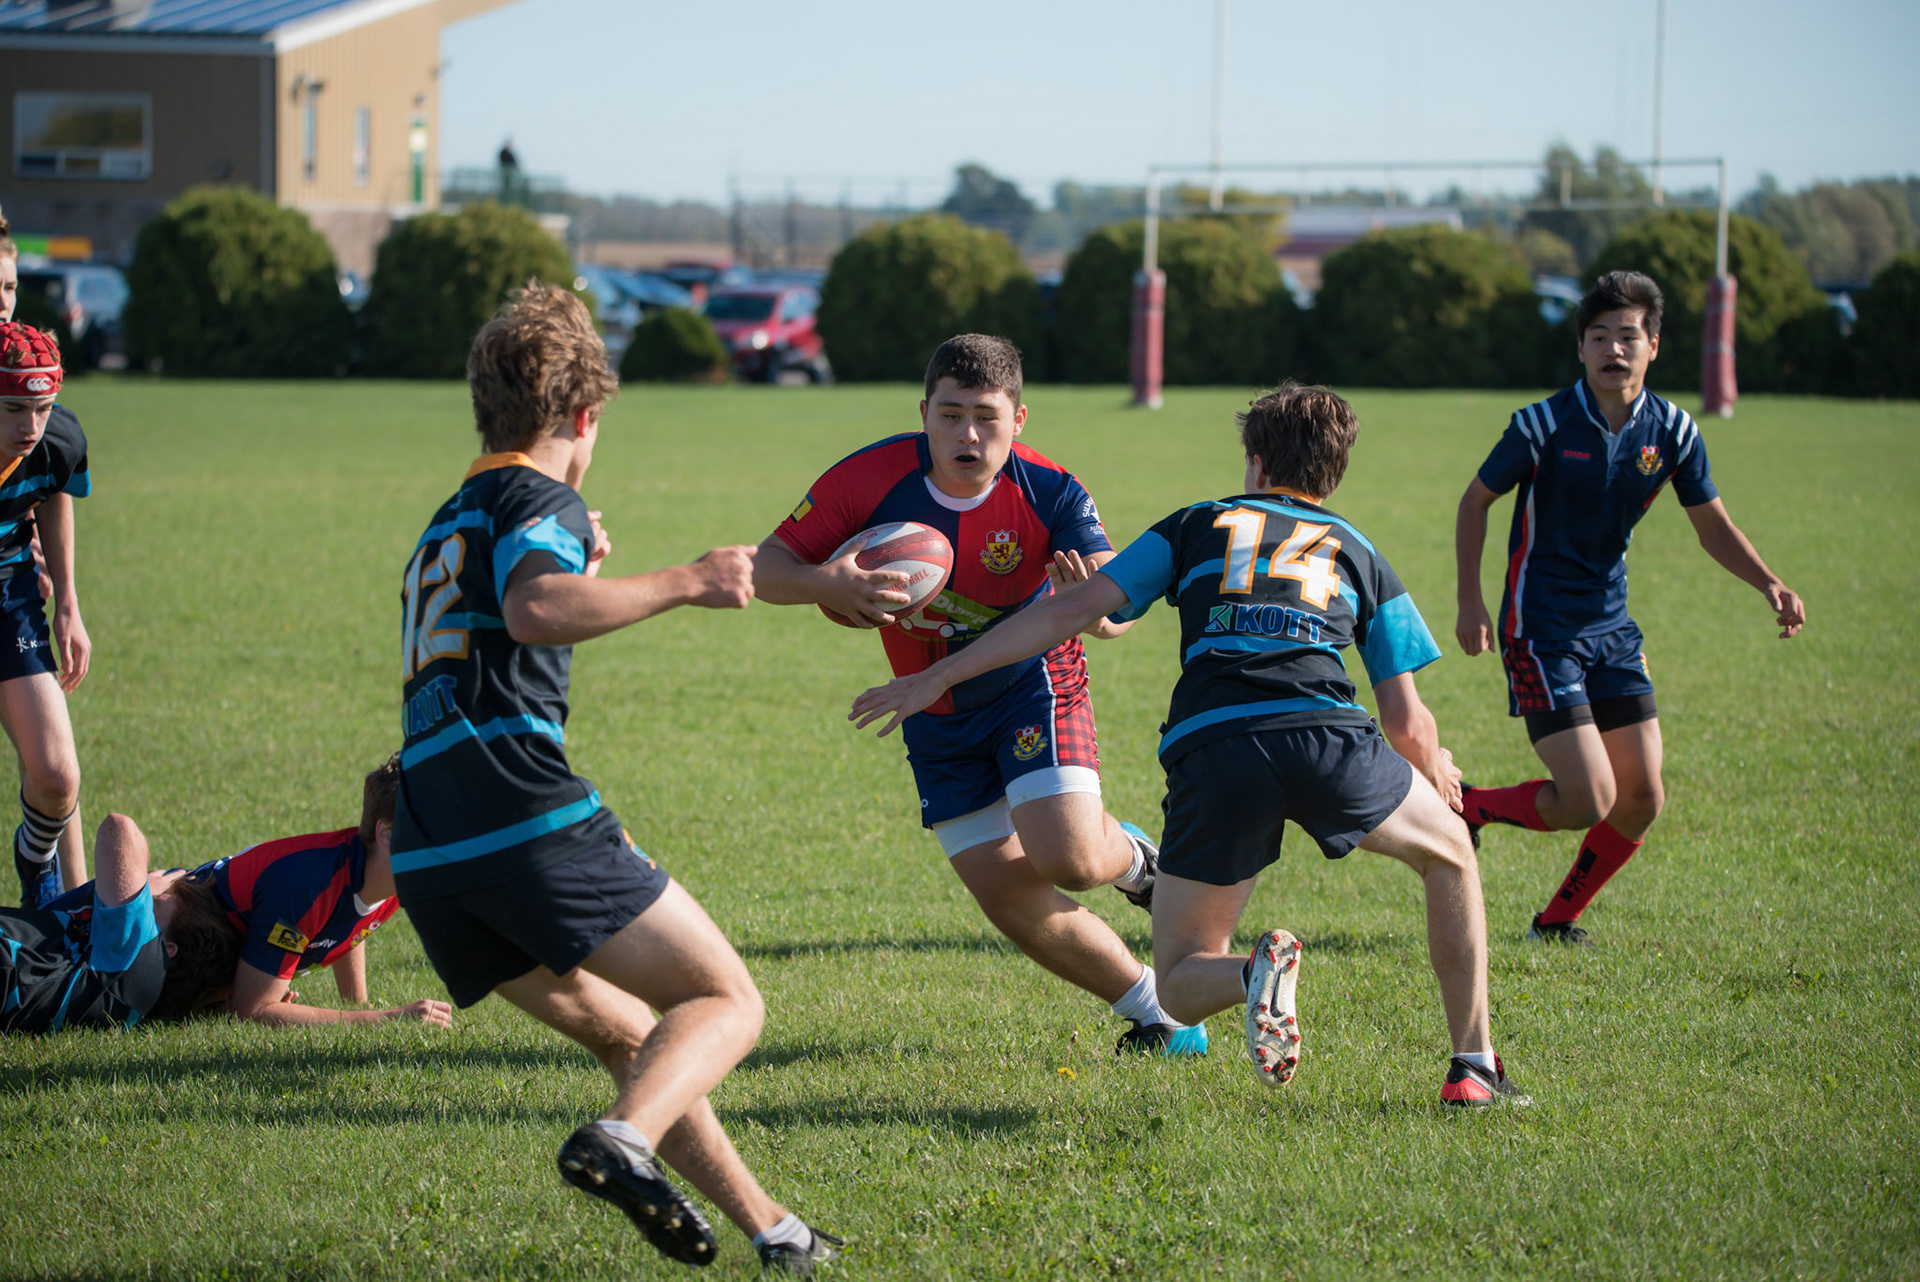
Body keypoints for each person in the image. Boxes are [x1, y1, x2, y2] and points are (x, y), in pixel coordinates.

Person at [851, 382, 1528, 1106]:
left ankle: (1251, 972)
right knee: (1449, 855)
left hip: (1215, 749)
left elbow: (1072, 612)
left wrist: (939, 675)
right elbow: (1408, 723)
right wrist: (1438, 776)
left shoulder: (1197, 524)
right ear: (1336, 472)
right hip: (1327, 734)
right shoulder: (1360, 551)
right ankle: (1474, 1067)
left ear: (1256, 462)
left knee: (1175, 979)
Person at [392, 282, 838, 1275]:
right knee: (728, 1002)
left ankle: (775, 1230)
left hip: (430, 845)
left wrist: (577, 560)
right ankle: (620, 1141)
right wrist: (689, 579)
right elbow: (537, 608)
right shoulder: (538, 498)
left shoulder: (451, 516)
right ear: (585, 415)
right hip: (516, 812)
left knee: (635, 1036)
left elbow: (510, 601)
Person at [753, 333, 1202, 1057]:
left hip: (1034, 683)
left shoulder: (1052, 490)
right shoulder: (866, 479)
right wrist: (823, 583)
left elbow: (1119, 614)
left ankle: (1136, 866)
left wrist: (1083, 600)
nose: (967, 434)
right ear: (923, 412)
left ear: (1018, 420)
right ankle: (1158, 1014)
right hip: (931, 711)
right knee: (1009, 898)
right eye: (950, 414)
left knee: (1070, 860)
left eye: (986, 417)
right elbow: (766, 568)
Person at [1454, 270, 1806, 944]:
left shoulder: (1672, 429)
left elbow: (1711, 525)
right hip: (1539, 628)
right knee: (1589, 796)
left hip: (1612, 629)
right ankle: (1473, 808)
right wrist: (1470, 600)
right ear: (1580, 350)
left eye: (1627, 336)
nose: (1614, 349)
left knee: (1642, 797)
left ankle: (1556, 920)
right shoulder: (1542, 424)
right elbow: (1476, 501)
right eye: (1599, 338)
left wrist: (1769, 583)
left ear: (1653, 346)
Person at [164, 753, 451, 1028]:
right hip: (156, 956)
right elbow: (252, 1010)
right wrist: (385, 1017)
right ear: (386, 834)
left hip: (207, 978)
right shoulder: (307, 885)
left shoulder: (385, 875)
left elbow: (351, 912)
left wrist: (356, 1003)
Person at [0, 234, 92, 910]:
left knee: (58, 775)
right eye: (16, 411)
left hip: (9, 594)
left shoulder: (54, 433)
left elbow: (55, 482)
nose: (31, 425)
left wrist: (68, 604)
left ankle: (49, 881)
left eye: (6, 290)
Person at [3, 811, 239, 1034]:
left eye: (159, 901)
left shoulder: (141, 959)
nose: (156, 896)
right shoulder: (136, 991)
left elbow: (118, 829)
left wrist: (158, 882)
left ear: (169, 947)